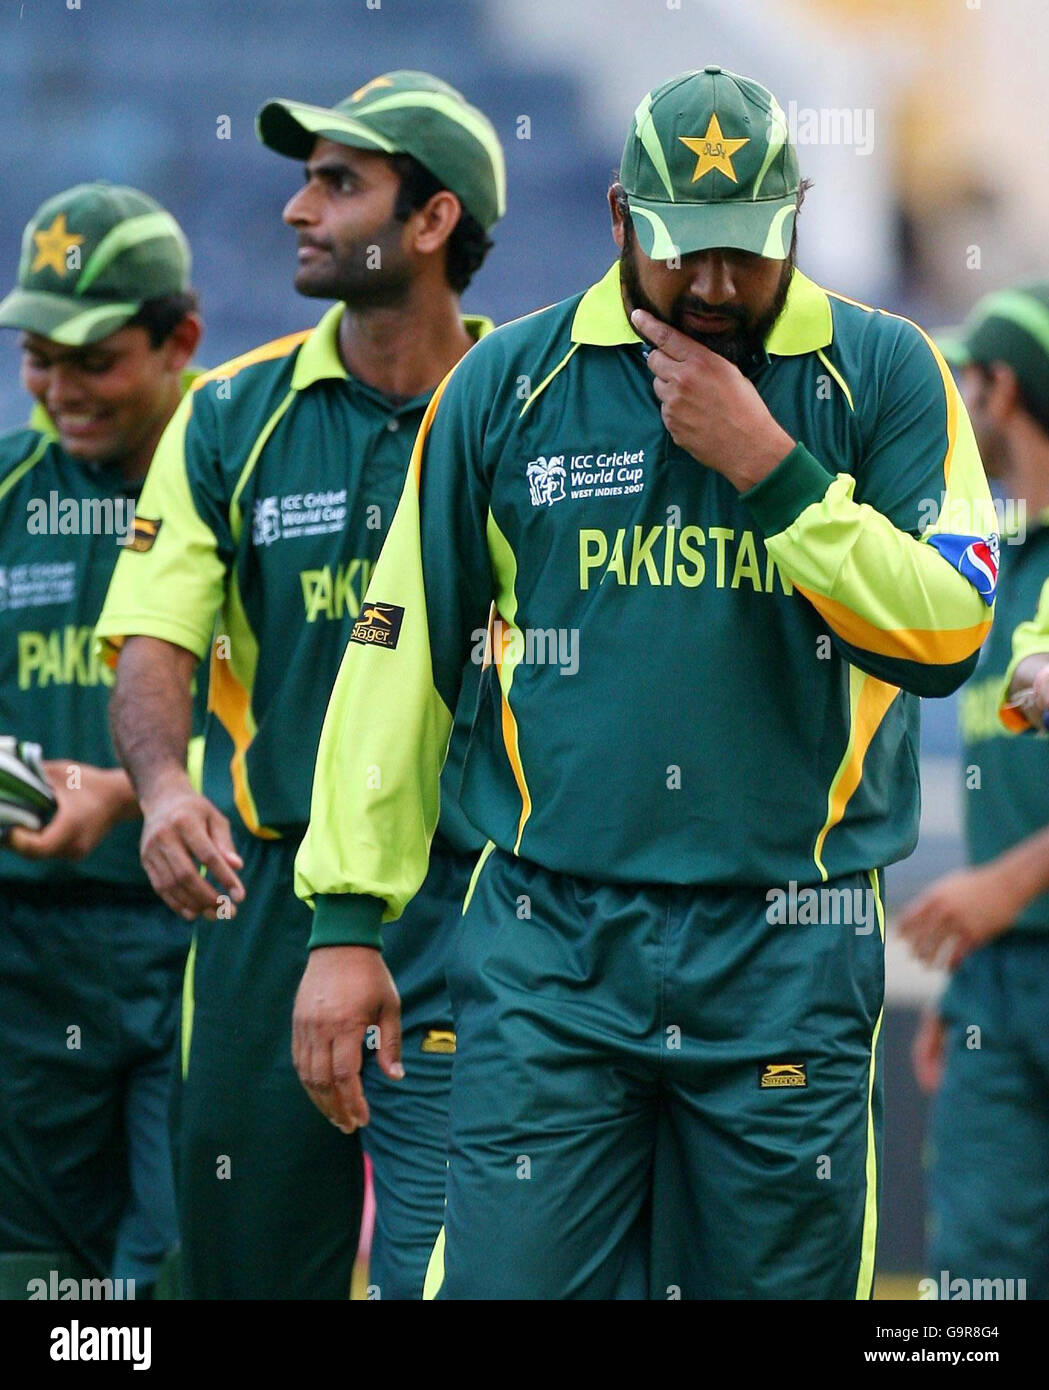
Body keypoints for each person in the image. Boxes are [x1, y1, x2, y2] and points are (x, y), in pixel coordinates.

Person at [291, 65, 997, 1300]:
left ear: (795, 219)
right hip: (550, 948)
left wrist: (772, 472)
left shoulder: (883, 375)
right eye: (682, 253)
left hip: (790, 942)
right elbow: (400, 649)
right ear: (619, 219)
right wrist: (349, 916)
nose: (716, 287)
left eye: (746, 253)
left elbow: (946, 629)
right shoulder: (510, 385)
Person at [95, 71, 504, 1300]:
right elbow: (156, 636)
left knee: (472, 1268)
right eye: (302, 176)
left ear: (432, 222)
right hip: (266, 897)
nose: (295, 209)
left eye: (338, 182)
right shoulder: (229, 414)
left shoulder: (526, 406)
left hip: (477, 897)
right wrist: (164, 791)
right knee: (243, 1270)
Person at [0, 182, 201, 1298]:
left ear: (181, 338)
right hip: (27, 968)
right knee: (33, 1279)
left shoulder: (243, 485)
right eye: (39, 357)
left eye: (94, 360)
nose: (61, 391)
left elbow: (316, 718)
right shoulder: (8, 492)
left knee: (177, 1269)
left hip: (203, 950)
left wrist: (128, 791)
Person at [910, 283, 1049, 1298]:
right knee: (973, 1284)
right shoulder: (991, 563)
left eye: (964, 379)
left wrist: (1003, 887)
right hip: (994, 985)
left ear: (1001, 388)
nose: (952, 405)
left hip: (1011, 929)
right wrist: (971, 969)